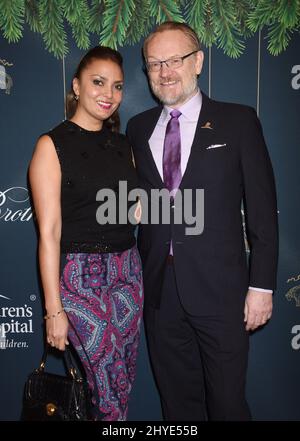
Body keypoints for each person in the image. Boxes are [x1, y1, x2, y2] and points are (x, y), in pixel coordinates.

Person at [126, 22, 278, 421]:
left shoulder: (239, 121)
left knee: (228, 405)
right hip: (160, 291)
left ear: (198, 62)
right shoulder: (137, 129)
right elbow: (142, 200)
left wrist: (261, 285)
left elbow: (262, 211)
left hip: (223, 293)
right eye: (155, 63)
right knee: (177, 407)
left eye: (174, 60)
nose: (165, 71)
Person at [29, 46, 144, 421]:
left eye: (117, 86)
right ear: (77, 86)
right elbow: (49, 233)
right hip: (80, 280)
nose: (108, 94)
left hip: (128, 272)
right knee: (108, 389)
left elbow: (131, 206)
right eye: (98, 82)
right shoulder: (52, 145)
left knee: (120, 385)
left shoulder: (123, 145)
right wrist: (53, 311)